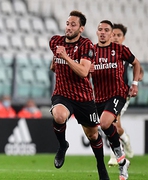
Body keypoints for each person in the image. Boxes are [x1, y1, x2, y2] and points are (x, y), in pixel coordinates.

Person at [49, 10, 109, 180]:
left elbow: (83, 72)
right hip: (62, 93)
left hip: (83, 97)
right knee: (59, 116)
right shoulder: (55, 41)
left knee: (93, 135)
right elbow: (54, 64)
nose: (68, 27)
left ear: (81, 28)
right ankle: (62, 146)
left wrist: (66, 57)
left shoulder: (86, 45)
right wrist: (55, 62)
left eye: (73, 25)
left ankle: (100, 165)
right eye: (67, 23)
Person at [91, 20, 141, 180]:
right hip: (98, 96)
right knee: (106, 128)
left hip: (118, 93)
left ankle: (120, 155)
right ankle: (122, 161)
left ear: (111, 34)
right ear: (97, 32)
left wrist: (134, 84)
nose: (103, 32)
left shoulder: (119, 49)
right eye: (100, 29)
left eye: (107, 30)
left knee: (106, 124)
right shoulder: (91, 51)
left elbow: (136, 63)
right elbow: (83, 70)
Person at [107, 23, 145, 166]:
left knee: (112, 123)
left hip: (122, 94)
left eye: (119, 35)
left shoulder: (124, 53)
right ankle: (126, 139)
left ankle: (114, 156)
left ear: (123, 38)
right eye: (114, 35)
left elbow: (138, 66)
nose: (115, 37)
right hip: (105, 94)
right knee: (116, 126)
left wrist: (137, 79)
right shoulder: (103, 52)